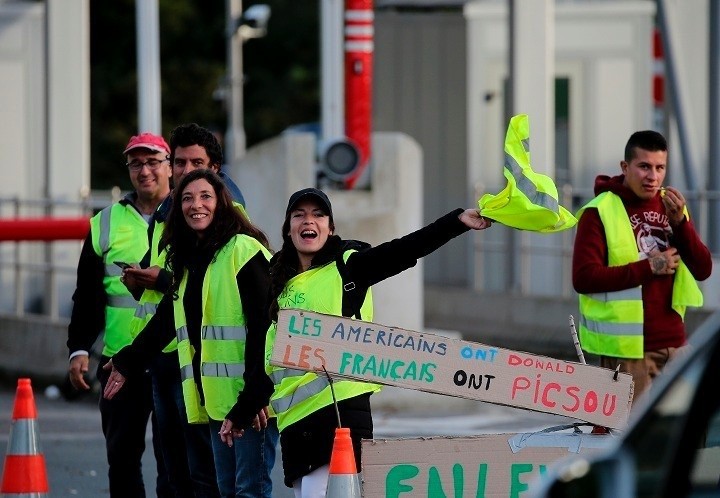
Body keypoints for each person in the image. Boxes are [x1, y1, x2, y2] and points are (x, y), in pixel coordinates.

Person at [266, 187, 493, 497]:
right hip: (294, 424)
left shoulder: (348, 266)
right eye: (299, 215)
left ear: (330, 228)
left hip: (339, 415)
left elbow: (405, 249)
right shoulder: (277, 281)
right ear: (288, 228)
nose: (310, 221)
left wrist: (456, 222)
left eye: (319, 215)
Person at [104, 168, 278, 498]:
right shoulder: (191, 259)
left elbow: (265, 325)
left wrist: (256, 394)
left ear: (222, 204)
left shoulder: (243, 249)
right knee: (227, 490)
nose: (195, 204)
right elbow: (168, 319)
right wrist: (128, 361)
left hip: (250, 403)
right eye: (186, 198)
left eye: (205, 196)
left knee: (248, 492)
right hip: (217, 402)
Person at [121, 123, 252, 498]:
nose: (185, 170)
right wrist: (140, 281)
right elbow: (174, 284)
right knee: (175, 467)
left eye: (197, 162)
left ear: (216, 168)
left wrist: (161, 280)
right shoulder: (170, 209)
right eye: (179, 162)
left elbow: (201, 287)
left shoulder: (225, 212)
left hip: (200, 360)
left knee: (208, 472)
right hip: (165, 354)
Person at [66, 132, 173, 497]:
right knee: (122, 460)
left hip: (172, 359)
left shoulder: (190, 213)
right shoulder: (105, 223)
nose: (145, 171)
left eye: (153, 162)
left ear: (169, 166)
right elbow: (88, 294)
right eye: (136, 163)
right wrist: (79, 348)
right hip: (118, 362)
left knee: (174, 464)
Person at [572, 130, 712, 404]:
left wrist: (682, 226)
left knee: (685, 441)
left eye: (660, 168)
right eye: (644, 166)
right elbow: (584, 277)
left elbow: (703, 269)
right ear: (625, 167)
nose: (653, 176)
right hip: (628, 355)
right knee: (636, 442)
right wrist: (649, 267)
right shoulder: (599, 211)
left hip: (675, 345)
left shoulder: (671, 206)